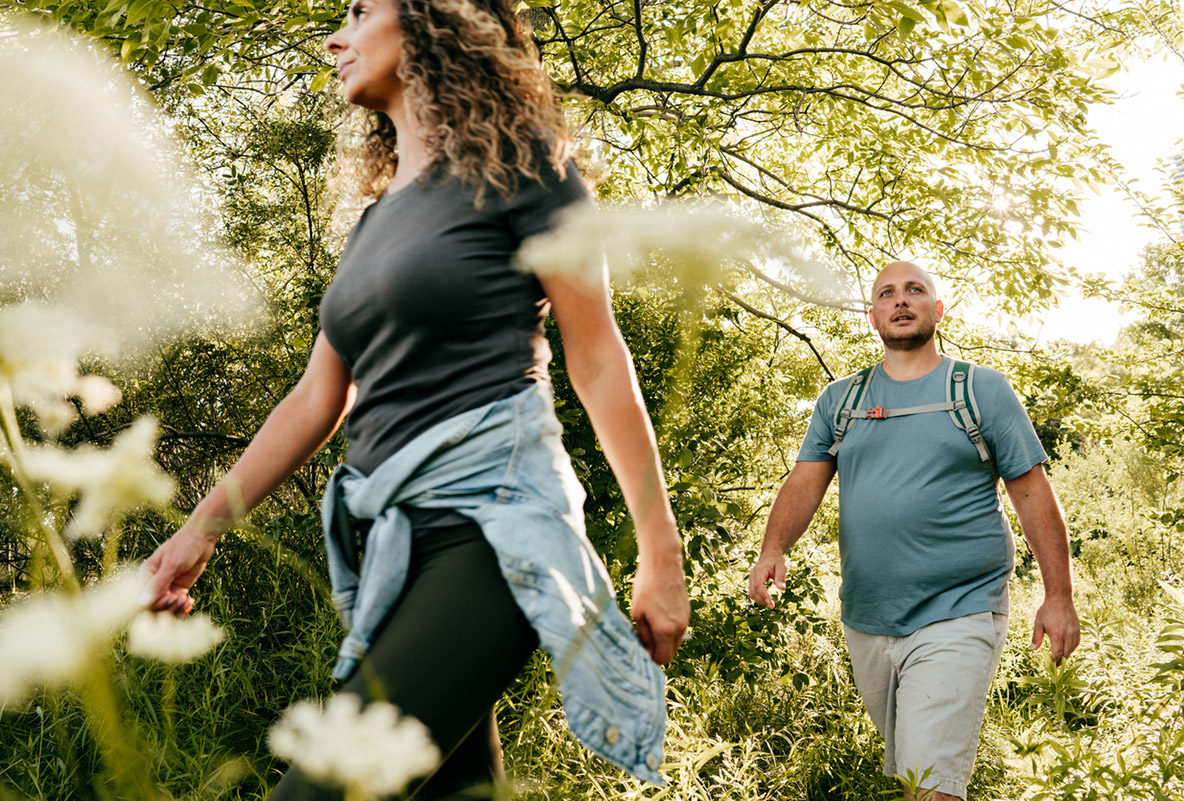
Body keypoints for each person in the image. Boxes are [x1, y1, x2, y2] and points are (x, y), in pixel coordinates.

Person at [139, 0, 690, 798]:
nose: (338, 35)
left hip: (492, 531)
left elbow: (598, 359)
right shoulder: (373, 225)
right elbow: (316, 399)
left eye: (362, 10)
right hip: (393, 550)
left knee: (321, 788)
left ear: (438, 19)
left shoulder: (527, 169)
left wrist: (660, 553)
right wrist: (198, 533)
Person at [747, 261, 1080, 800]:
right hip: (868, 616)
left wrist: (1058, 596)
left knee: (931, 783)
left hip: (961, 608)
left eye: (915, 291)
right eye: (888, 294)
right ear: (874, 316)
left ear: (937, 309)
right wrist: (772, 547)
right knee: (914, 774)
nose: (901, 301)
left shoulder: (980, 391)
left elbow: (1032, 493)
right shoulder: (842, 400)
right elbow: (805, 484)